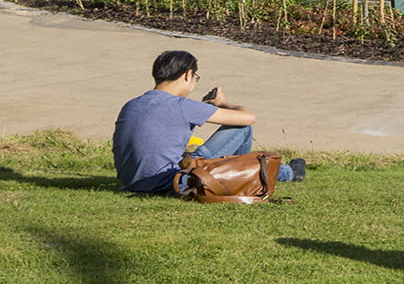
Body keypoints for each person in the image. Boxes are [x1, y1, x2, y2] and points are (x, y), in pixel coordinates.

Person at [112, 49, 304, 194]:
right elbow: (248, 118)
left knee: (194, 155)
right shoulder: (181, 105)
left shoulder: (132, 104)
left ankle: (248, 175)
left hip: (131, 182)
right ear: (188, 75)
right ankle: (281, 173)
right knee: (242, 129)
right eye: (196, 78)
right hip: (169, 182)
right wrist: (223, 104)